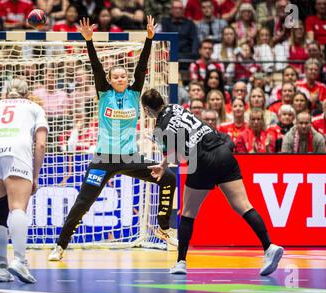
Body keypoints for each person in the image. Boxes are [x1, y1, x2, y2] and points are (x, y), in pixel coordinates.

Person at [48, 16, 178, 261]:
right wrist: (89, 41)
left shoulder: (134, 93)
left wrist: (149, 39)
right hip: (103, 159)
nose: (120, 78)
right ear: (109, 80)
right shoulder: (104, 94)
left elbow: (141, 67)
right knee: (82, 203)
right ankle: (60, 246)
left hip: (129, 157)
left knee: (168, 178)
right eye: (115, 76)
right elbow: (96, 66)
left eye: (123, 76)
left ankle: (163, 227)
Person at [140, 88, 284, 276]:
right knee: (243, 205)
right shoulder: (176, 107)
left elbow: (177, 158)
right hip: (222, 151)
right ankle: (269, 246)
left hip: (201, 159)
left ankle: (181, 262)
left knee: (188, 213)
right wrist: (162, 163)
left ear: (147, 110)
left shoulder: (159, 128)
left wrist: (163, 157)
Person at [0, 78, 49, 283]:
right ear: (27, 92)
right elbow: (40, 144)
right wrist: (34, 176)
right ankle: (20, 260)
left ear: (6, 92)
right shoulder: (35, 108)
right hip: (17, 151)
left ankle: (1, 268)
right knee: (17, 208)